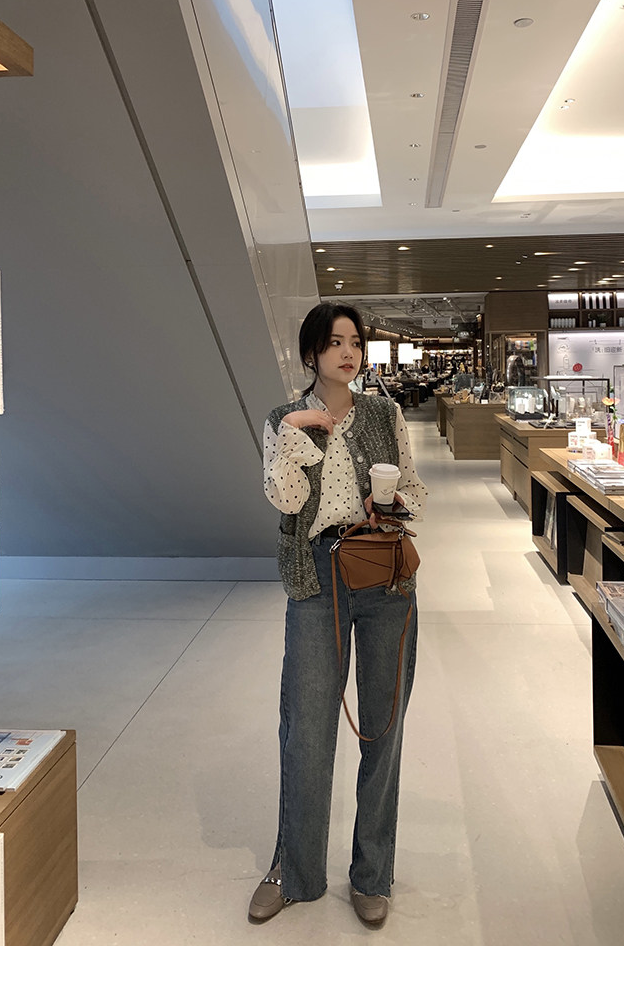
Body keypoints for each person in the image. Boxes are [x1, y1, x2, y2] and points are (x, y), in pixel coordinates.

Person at [249, 302, 427, 927]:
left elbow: (414, 490)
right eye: (334, 343)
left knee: (382, 725)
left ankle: (373, 874)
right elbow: (286, 500)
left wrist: (392, 504)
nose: (347, 353)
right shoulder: (282, 420)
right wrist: (297, 433)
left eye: (354, 342)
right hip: (317, 577)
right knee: (306, 726)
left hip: (384, 574)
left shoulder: (383, 412)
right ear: (311, 353)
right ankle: (294, 870)